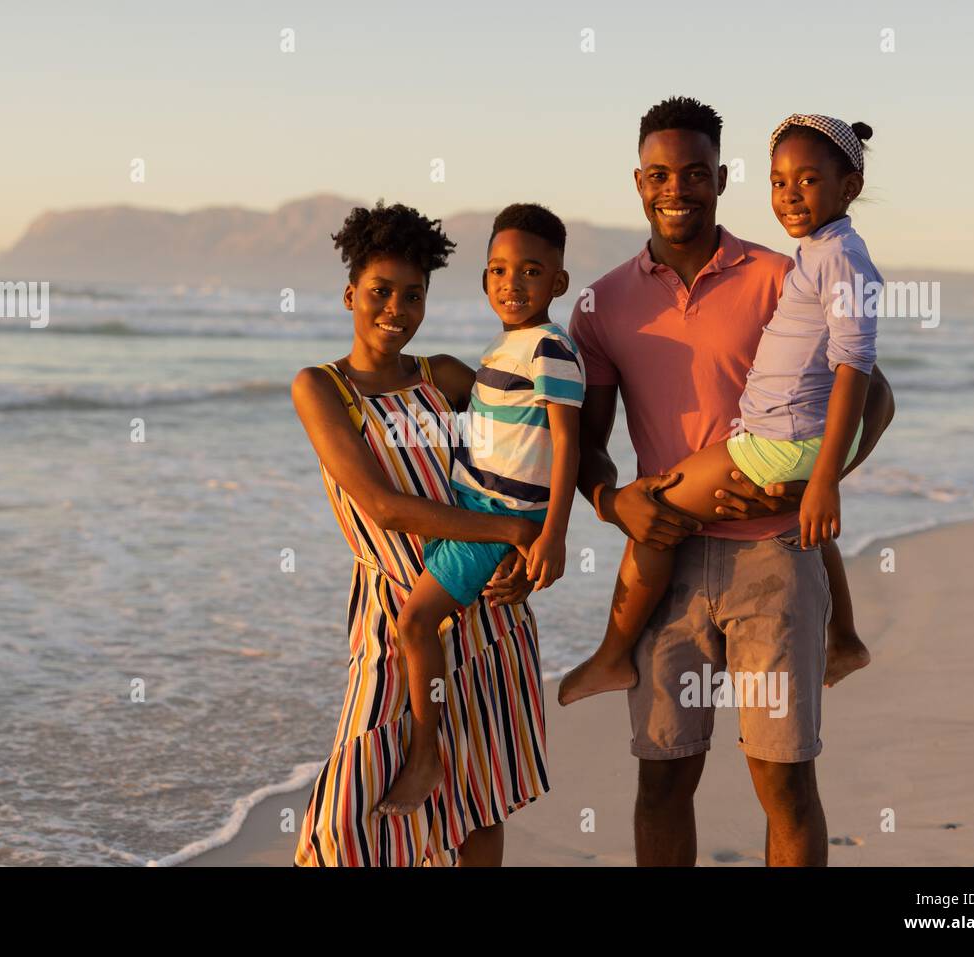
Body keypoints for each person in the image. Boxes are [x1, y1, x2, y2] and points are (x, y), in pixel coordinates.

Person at [566, 97, 895, 865]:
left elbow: (872, 392)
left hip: (774, 561)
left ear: (721, 177)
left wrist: (810, 484)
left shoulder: (787, 272)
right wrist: (612, 504)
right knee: (662, 782)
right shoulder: (602, 303)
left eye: (692, 173)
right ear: (638, 182)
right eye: (657, 174)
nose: (673, 188)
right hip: (666, 569)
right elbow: (588, 444)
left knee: (782, 783)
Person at [289, 200, 548, 866]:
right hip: (393, 618)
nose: (396, 308)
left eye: (413, 294)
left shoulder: (447, 377)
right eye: (380, 291)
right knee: (344, 822)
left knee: (478, 803)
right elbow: (384, 506)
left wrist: (534, 539)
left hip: (483, 612)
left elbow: (538, 436)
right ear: (351, 292)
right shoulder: (322, 388)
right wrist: (510, 527)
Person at [376, 203, 583, 816]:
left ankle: (425, 755)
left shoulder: (550, 348)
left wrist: (551, 537)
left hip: (492, 518)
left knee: (416, 624)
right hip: (468, 503)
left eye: (529, 272)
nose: (510, 284)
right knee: (431, 624)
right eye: (497, 271)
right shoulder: (505, 346)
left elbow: (567, 442)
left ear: (558, 282)